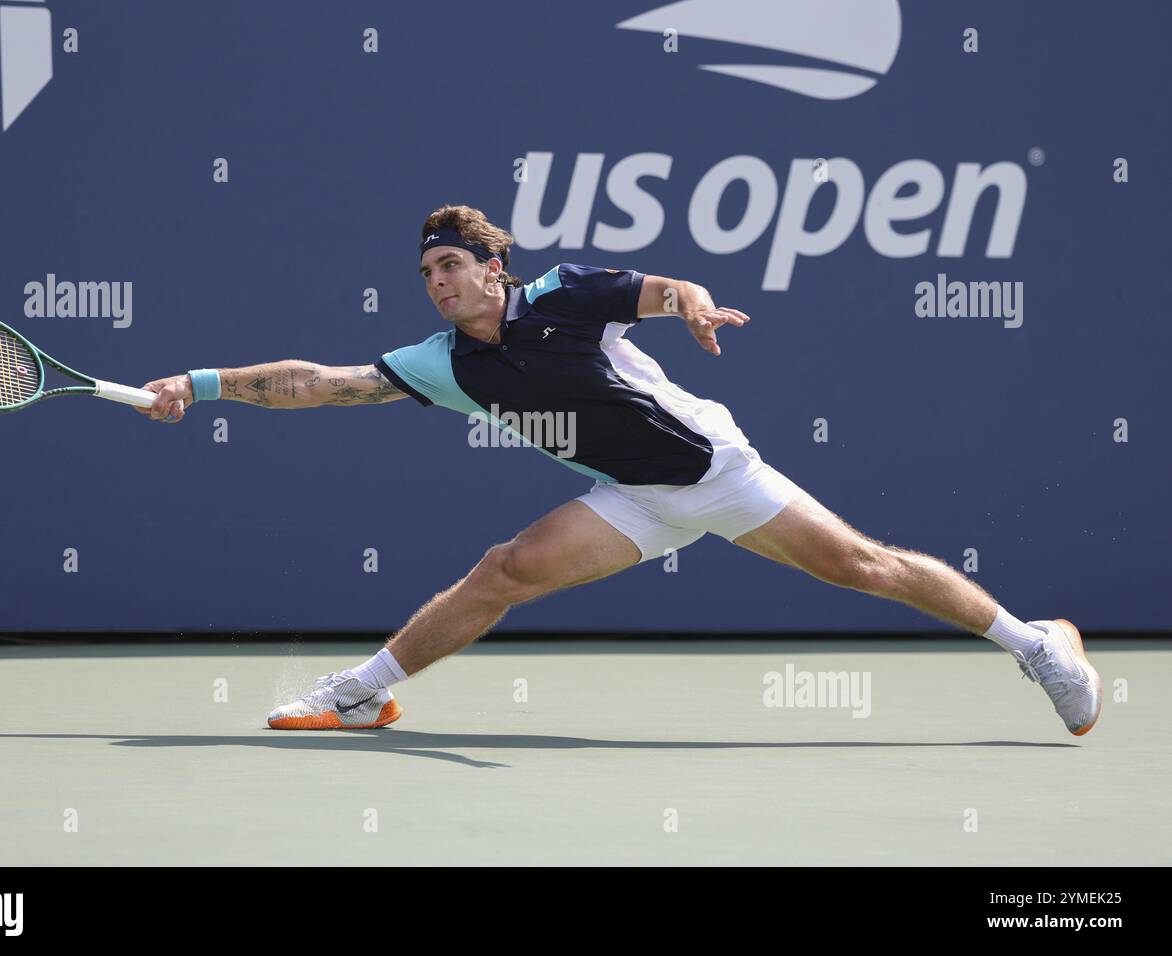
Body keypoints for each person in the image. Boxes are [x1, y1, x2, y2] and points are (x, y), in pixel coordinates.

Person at [136, 205, 1101, 736]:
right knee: (501, 570)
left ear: (493, 270)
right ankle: (362, 691)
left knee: (865, 568)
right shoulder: (445, 362)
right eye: (427, 272)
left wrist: (695, 306)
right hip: (631, 497)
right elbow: (322, 384)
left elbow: (668, 285)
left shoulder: (565, 296)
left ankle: (1040, 643)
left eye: (450, 266)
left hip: (713, 471)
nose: (438, 282)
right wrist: (202, 382)